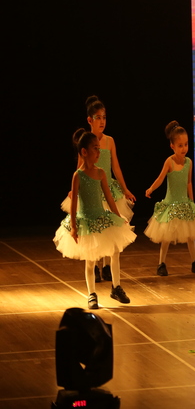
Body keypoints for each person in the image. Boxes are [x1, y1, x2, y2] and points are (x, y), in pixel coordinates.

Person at [54, 129, 135, 309]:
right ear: (84, 152)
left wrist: (118, 216)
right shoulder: (78, 175)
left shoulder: (100, 173)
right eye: (95, 149)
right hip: (86, 220)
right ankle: (92, 294)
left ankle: (116, 287)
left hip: (101, 217)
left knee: (115, 251)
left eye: (99, 148)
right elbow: (74, 203)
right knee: (90, 259)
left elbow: (109, 198)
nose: (99, 152)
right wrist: (74, 227)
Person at [61, 95, 136, 283]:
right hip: (92, 191)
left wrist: (125, 189)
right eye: (98, 118)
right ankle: (95, 265)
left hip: (108, 188)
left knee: (109, 228)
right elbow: (79, 168)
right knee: (95, 229)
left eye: (104, 117)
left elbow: (115, 167)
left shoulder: (110, 141)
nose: (102, 121)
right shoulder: (86, 142)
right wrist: (74, 189)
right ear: (90, 120)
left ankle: (108, 267)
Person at [145, 121, 195, 276]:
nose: (184, 148)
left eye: (186, 144)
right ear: (172, 146)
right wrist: (151, 188)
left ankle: (194, 262)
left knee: (191, 236)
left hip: (185, 204)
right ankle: (161, 264)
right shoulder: (170, 162)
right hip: (171, 205)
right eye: (180, 145)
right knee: (166, 237)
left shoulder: (189, 162)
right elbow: (160, 178)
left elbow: (188, 182)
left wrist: (192, 201)